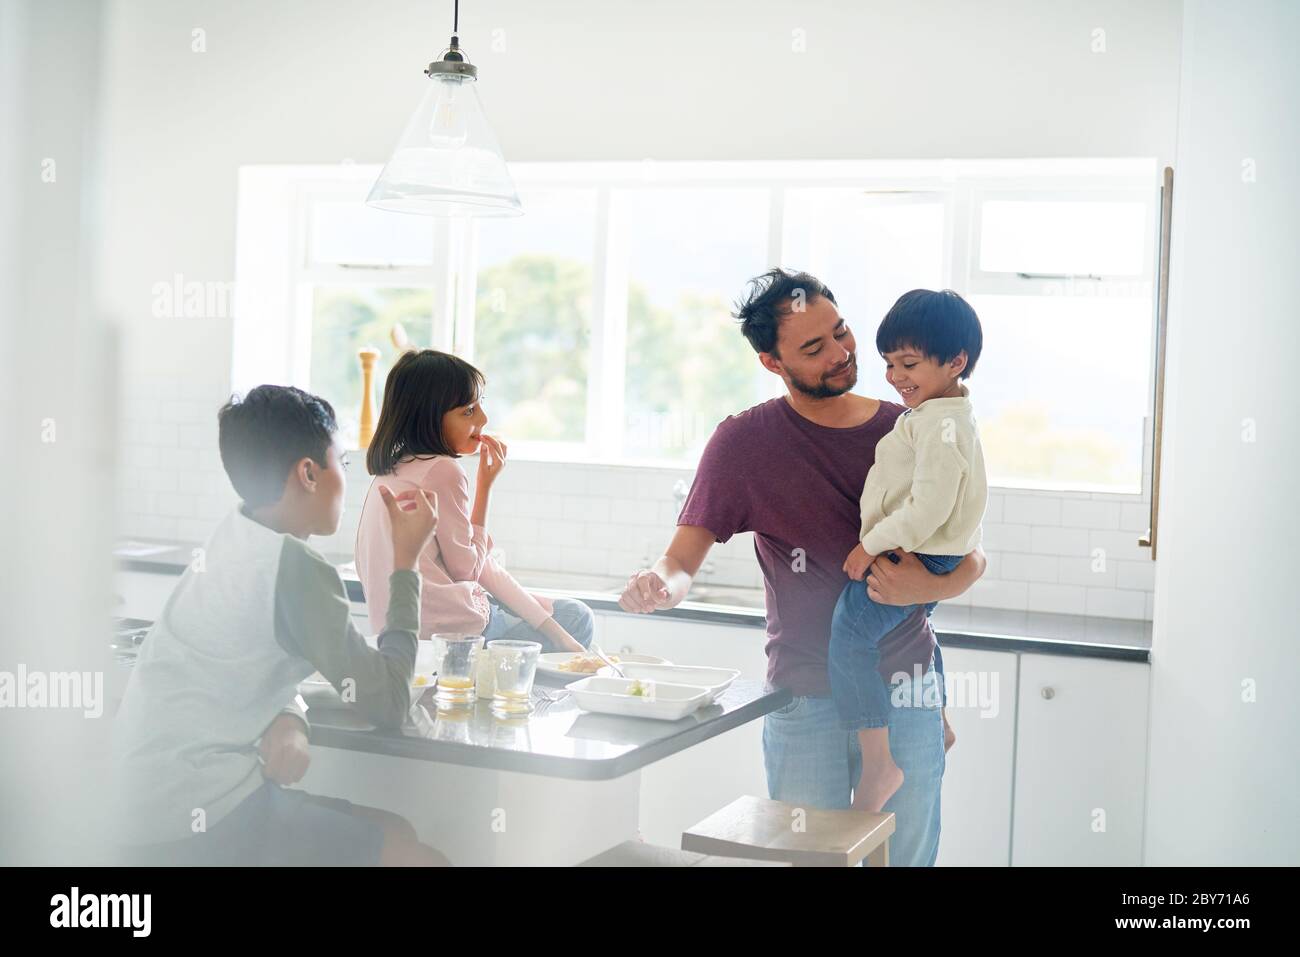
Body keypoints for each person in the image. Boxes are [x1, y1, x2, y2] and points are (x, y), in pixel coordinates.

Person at [619, 268, 985, 866]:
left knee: (908, 860)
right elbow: (682, 559)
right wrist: (660, 583)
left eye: (842, 333)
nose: (842, 354)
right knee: (809, 862)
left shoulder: (910, 424)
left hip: (909, 691)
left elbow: (969, 553)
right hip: (805, 696)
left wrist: (928, 583)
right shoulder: (744, 443)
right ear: (772, 361)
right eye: (814, 348)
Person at [113, 385, 447, 865]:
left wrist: (289, 715)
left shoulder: (233, 535)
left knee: (397, 831)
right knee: (421, 859)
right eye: (343, 463)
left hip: (143, 805)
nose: (346, 480)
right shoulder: (296, 569)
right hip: (199, 813)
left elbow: (246, 663)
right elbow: (389, 701)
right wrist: (406, 563)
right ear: (309, 473)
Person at [831, 289, 988, 813]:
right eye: (889, 363)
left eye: (910, 363)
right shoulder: (939, 415)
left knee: (849, 635)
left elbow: (927, 510)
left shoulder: (941, 424)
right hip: (935, 554)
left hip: (917, 550)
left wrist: (867, 545)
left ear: (956, 361)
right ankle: (939, 721)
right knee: (912, 624)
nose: (896, 375)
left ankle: (878, 763)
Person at [355, 349, 595, 653]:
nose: (483, 418)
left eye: (480, 405)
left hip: (401, 639)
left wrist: (551, 628)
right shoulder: (442, 470)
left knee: (556, 622)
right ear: (429, 417)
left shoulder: (392, 470)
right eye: (468, 410)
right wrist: (485, 486)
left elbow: (480, 567)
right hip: (453, 636)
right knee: (577, 617)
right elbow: (468, 570)